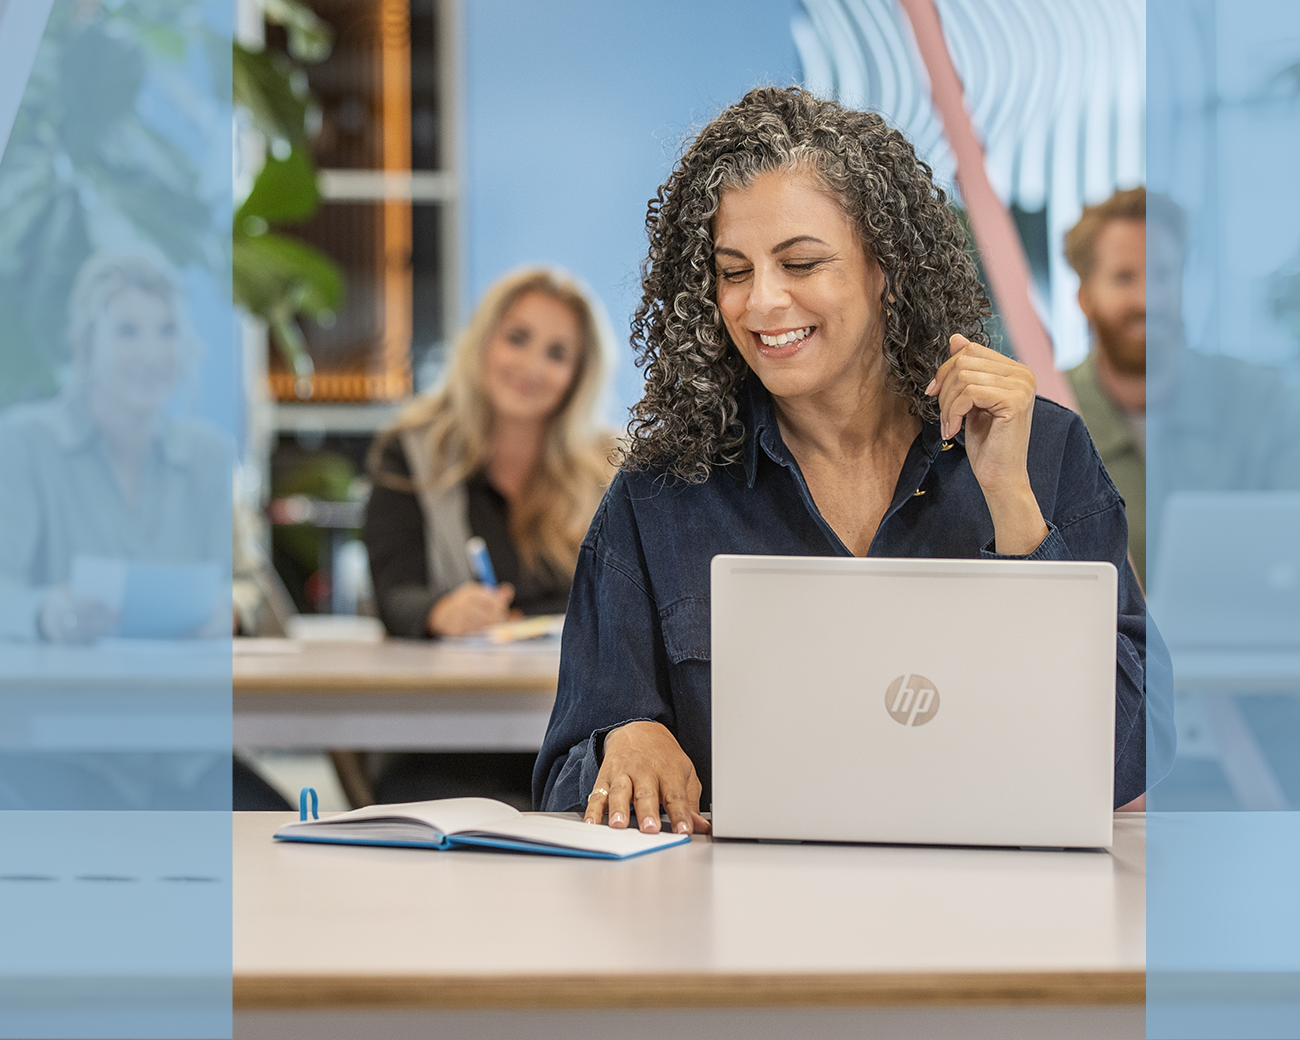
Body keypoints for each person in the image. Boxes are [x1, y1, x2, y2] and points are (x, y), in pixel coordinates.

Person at [534, 87, 1166, 832]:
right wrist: (622, 740)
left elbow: (1133, 752)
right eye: (733, 272)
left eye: (800, 263)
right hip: (741, 930)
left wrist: (1013, 506)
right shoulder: (661, 492)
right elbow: (567, 777)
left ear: (885, 271)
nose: (762, 302)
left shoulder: (1043, 449)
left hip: (994, 920)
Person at [363, 266, 614, 805]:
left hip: (576, 740)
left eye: (556, 352)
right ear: (484, 342)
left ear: (578, 373)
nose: (531, 366)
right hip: (445, 740)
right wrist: (439, 612)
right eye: (517, 339)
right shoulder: (411, 452)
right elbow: (394, 592)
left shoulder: (608, 470)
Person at [0, 251, 234, 808]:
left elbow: (234, 584)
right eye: (127, 331)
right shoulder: (27, 444)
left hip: (185, 753)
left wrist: (230, 610)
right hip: (59, 746)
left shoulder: (207, 457)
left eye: (166, 330)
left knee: (279, 847)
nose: (151, 353)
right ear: (87, 345)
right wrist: (45, 612)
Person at [1064, 188, 1148, 584]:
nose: (1148, 299)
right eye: (1124, 277)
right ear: (1084, 297)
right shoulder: (1045, 417)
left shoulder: (1257, 409)